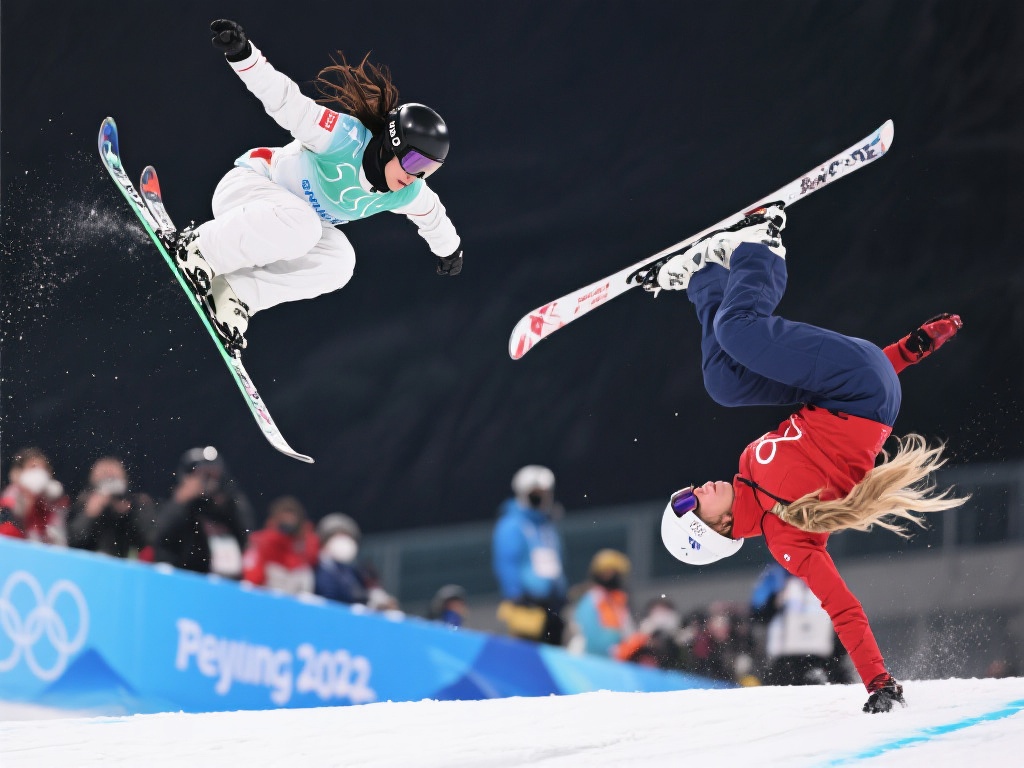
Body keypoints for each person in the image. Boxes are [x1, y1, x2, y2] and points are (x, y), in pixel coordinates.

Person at [651, 205, 966, 713]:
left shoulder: (748, 469)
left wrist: (912, 349)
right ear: (720, 528)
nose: (695, 490)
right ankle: (764, 248)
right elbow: (841, 606)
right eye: (690, 504)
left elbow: (837, 414)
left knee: (723, 384)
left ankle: (702, 273)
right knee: (737, 330)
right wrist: (879, 682)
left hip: (851, 386)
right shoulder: (787, 537)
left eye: (682, 495)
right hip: (858, 392)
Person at [168, 19, 462, 354]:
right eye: (413, 163)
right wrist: (243, 56)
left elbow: (433, 216)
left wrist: (449, 251)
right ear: (392, 143)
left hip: (284, 226)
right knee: (304, 225)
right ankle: (200, 248)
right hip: (248, 187)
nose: (415, 176)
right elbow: (286, 102)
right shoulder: (342, 138)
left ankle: (235, 293)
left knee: (340, 261)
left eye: (428, 170)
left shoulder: (406, 190)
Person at [492, 465, 568, 645]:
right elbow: (506, 562)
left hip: (552, 605)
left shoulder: (547, 526)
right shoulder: (511, 525)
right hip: (526, 607)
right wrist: (516, 595)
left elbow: (558, 559)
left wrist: (561, 592)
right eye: (536, 493)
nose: (542, 498)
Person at [153, 446, 253, 577]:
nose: (207, 481)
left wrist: (226, 498)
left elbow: (245, 533)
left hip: (224, 582)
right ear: (187, 476)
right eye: (201, 474)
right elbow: (157, 536)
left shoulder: (226, 507)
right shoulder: (178, 505)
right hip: (184, 577)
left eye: (212, 475)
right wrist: (180, 502)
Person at [750, 563, 852, 685]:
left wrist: (838, 655)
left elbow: (844, 616)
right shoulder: (775, 576)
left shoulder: (827, 574)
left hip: (822, 657)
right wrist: (775, 601)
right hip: (786, 659)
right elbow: (757, 613)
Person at [67, 456, 157, 559]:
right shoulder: (83, 502)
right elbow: (72, 541)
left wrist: (131, 513)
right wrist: (90, 514)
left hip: (120, 564)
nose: (109, 480)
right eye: (105, 475)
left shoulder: (135, 504)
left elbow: (150, 540)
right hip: (87, 563)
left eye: (113, 477)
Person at [314, 512, 397, 609]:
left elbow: (361, 592)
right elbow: (327, 592)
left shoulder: (357, 571)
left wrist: (377, 601)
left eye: (346, 535)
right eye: (338, 535)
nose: (342, 541)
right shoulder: (317, 566)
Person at [242, 496, 320, 594]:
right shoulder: (261, 540)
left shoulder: (306, 542)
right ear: (275, 519)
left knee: (305, 572)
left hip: (295, 592)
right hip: (268, 591)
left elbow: (312, 558)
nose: (288, 521)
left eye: (292, 517)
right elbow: (252, 575)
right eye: (284, 517)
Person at [569, 549, 635, 658]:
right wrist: (617, 641)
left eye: (614, 572)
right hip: (589, 659)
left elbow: (628, 632)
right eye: (606, 572)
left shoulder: (620, 601)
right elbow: (590, 637)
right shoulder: (592, 598)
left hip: (615, 663)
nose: (611, 576)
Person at [0, 447, 69, 545]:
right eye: (33, 468)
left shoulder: (55, 501)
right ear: (18, 473)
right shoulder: (9, 498)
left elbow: (59, 538)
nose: (39, 474)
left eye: (43, 469)